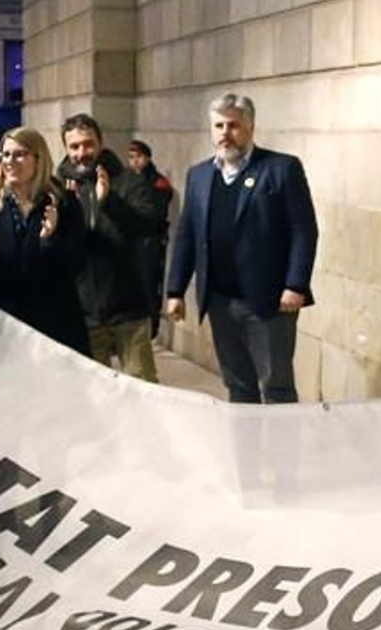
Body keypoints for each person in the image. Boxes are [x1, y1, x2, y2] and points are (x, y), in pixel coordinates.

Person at [164, 93, 319, 403]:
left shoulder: (281, 168)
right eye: (218, 125)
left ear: (250, 127)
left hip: (269, 301)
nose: (225, 133)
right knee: (238, 385)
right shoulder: (200, 175)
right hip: (220, 300)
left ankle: (280, 452)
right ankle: (245, 451)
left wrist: (295, 284)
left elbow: (304, 230)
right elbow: (187, 235)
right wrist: (175, 290)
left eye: (233, 125)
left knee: (276, 386)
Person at [0, 126, 90, 356]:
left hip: (53, 326)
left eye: (20, 154)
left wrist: (49, 240)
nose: (10, 161)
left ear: (38, 159)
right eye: (6, 155)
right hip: (5, 327)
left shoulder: (63, 202)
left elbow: (76, 264)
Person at [56, 113, 162, 381]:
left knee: (143, 388)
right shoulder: (56, 189)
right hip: (84, 313)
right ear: (66, 149)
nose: (82, 152)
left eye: (88, 144)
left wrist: (110, 201)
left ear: (100, 144)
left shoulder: (129, 181)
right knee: (94, 395)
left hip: (128, 308)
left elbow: (148, 225)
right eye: (74, 146)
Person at [125, 138, 176, 337]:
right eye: (130, 157)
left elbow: (154, 213)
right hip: (131, 241)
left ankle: (151, 328)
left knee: (149, 285)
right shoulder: (127, 180)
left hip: (150, 242)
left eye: (138, 157)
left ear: (147, 158)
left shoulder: (158, 182)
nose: (134, 161)